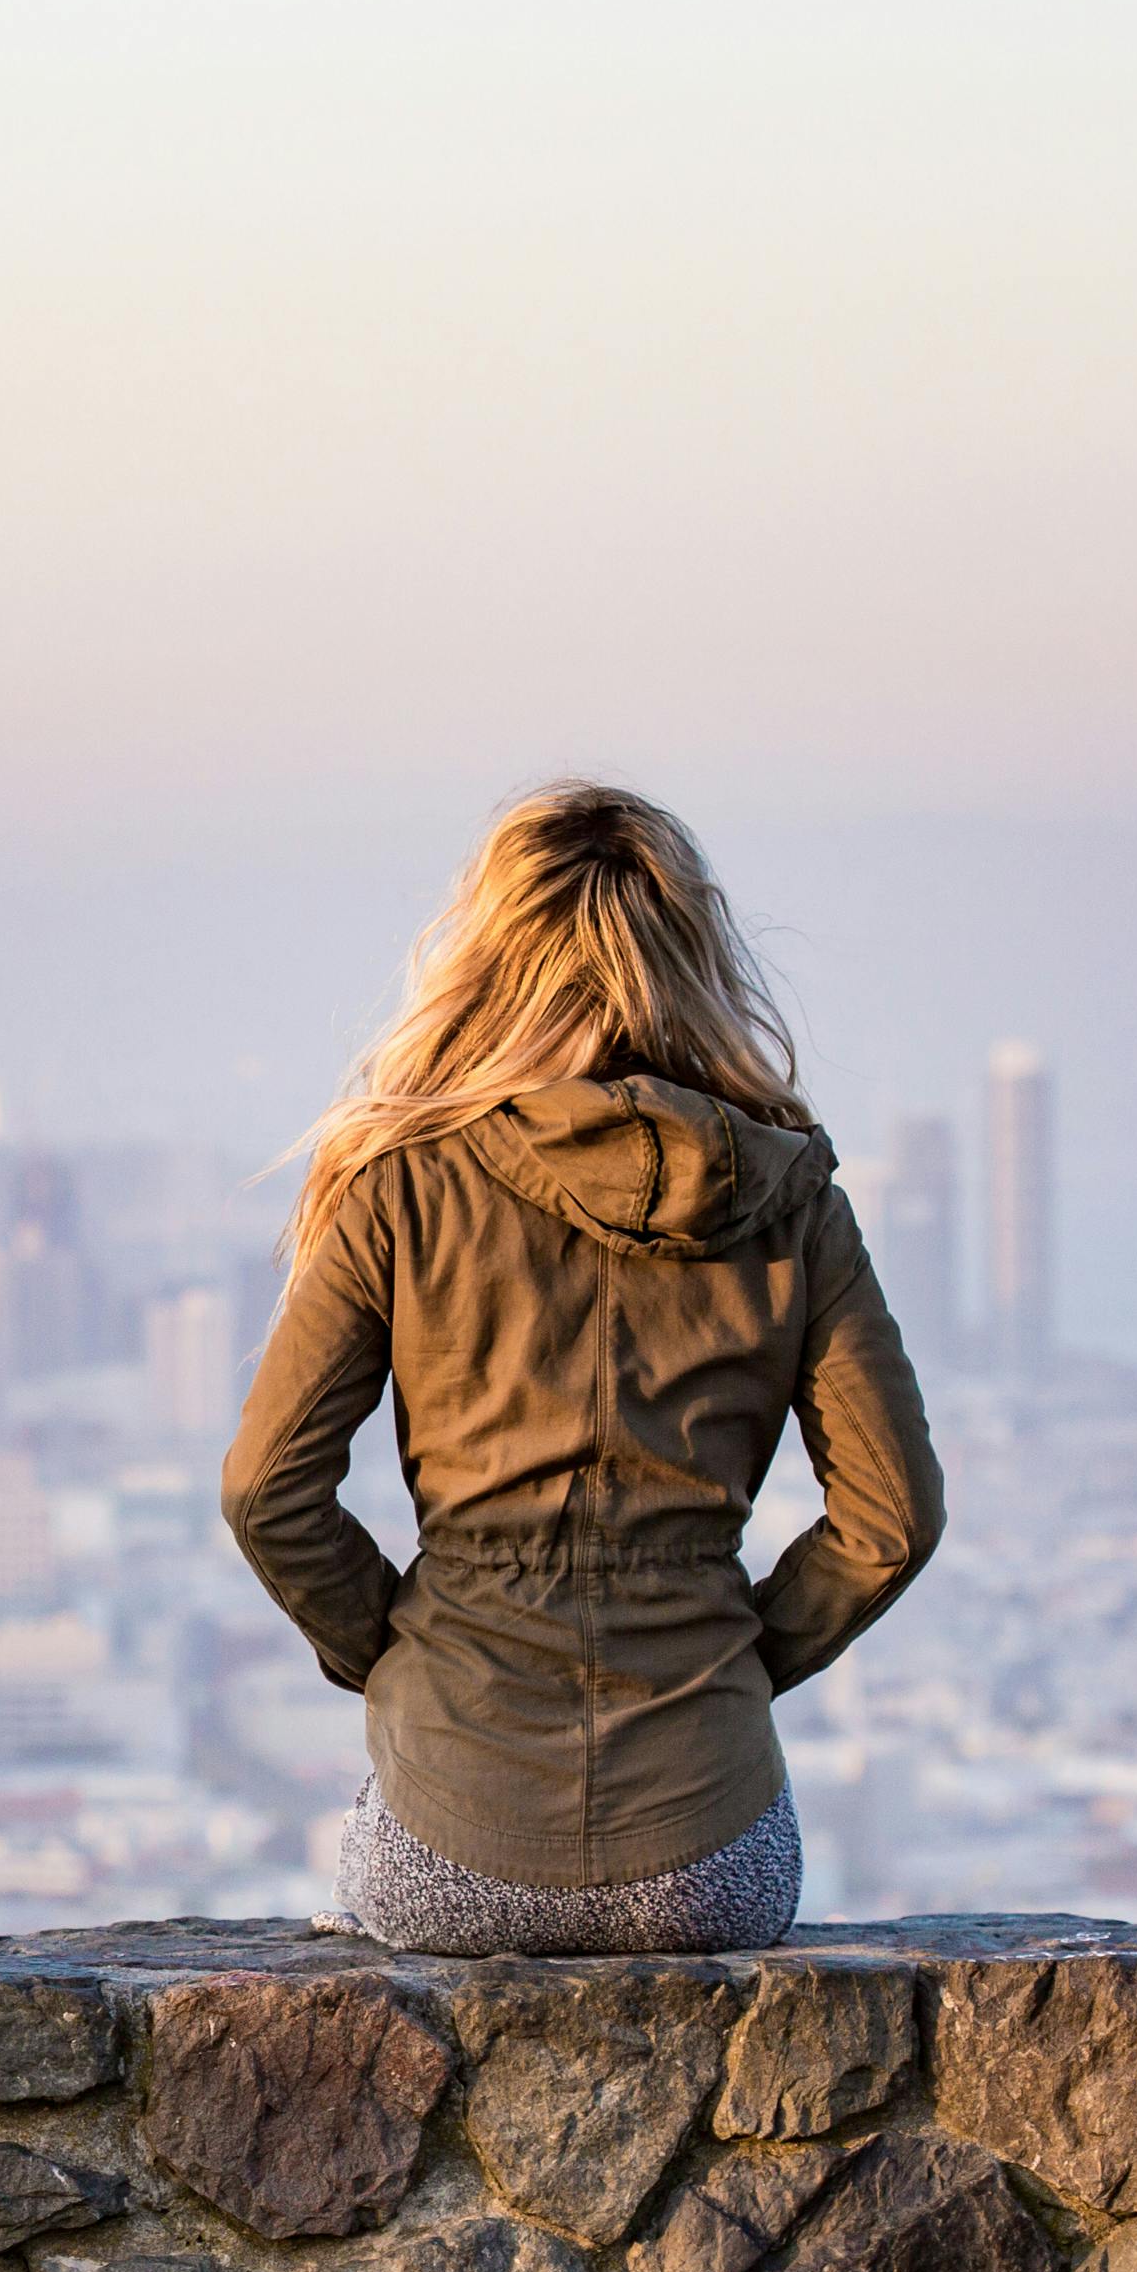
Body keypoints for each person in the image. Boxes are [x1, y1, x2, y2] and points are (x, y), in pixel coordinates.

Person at [221, 780, 940, 1954]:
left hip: (445, 1843)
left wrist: (399, 1650)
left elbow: (264, 1492)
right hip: (712, 1859)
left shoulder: (399, 1185)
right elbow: (892, 1520)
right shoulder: (795, 1199)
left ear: (487, 959)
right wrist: (737, 1659)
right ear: (694, 956)